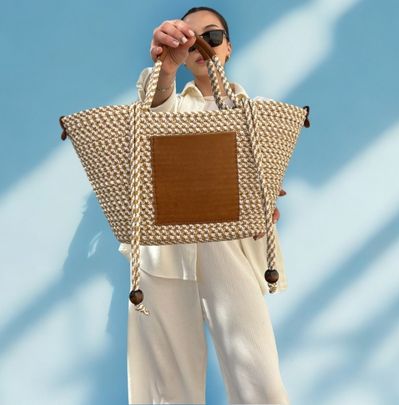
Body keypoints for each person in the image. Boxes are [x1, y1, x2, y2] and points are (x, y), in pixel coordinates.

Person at [119, 6, 290, 405]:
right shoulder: (173, 103)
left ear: (228, 46)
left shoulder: (256, 111)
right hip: (164, 250)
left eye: (211, 37)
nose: (202, 47)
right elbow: (153, 110)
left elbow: (263, 183)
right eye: (190, 40)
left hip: (229, 248)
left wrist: (263, 198)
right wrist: (166, 68)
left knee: (261, 384)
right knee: (167, 390)